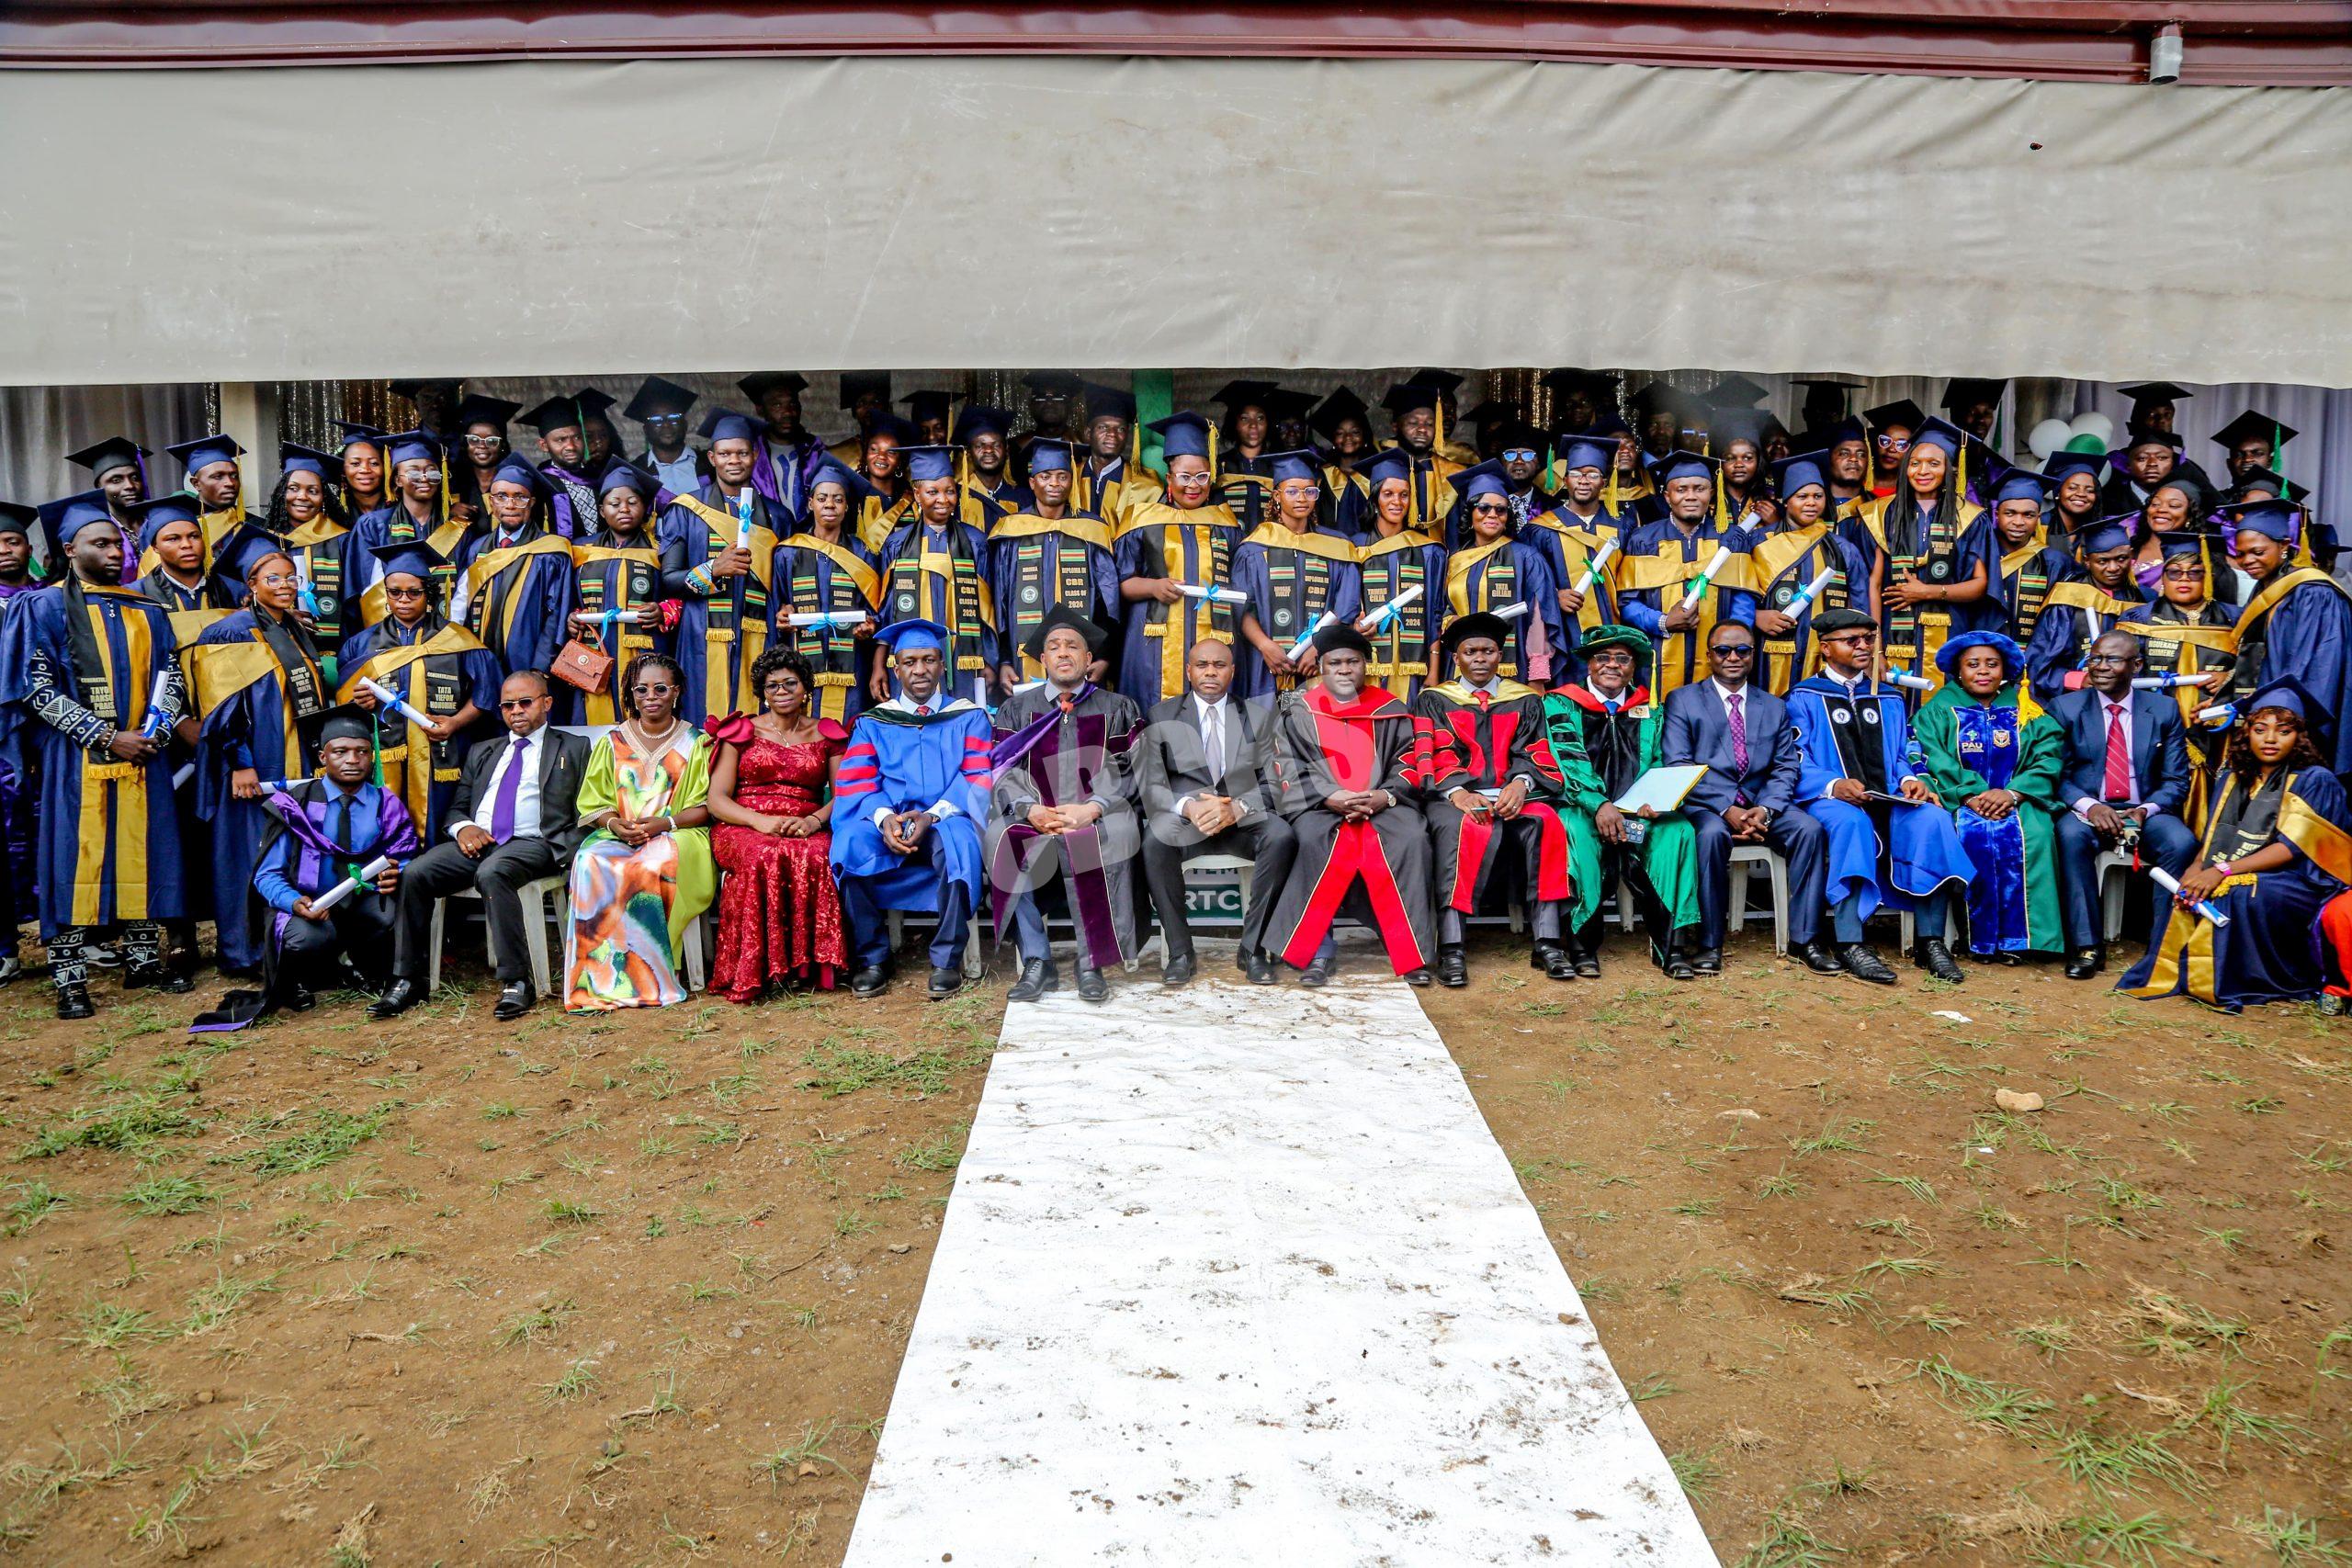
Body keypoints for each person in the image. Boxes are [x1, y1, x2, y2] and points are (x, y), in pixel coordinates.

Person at [0, 498, 191, 1015]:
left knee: (143, 851)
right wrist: (106, 736)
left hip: (142, 754)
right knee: (72, 858)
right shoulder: (41, 606)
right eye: (98, 543)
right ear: (69, 549)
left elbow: (170, 676)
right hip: (75, 759)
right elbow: (35, 689)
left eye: (116, 543)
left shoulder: (146, 607)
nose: (112, 551)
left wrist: (156, 728)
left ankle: (143, 962)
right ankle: (69, 978)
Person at [372, 671, 593, 1021]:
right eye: (508, 705)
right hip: (478, 842)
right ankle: (406, 979)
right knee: (415, 872)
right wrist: (464, 828)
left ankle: (516, 981)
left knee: (495, 872)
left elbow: (590, 806)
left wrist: (570, 846)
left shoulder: (574, 747)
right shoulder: (484, 750)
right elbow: (457, 808)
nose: (516, 711)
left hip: (534, 842)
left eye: (525, 702)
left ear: (547, 703)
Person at [2121, 681, 2352, 1010]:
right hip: (2232, 868)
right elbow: (2214, 835)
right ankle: (2187, 974)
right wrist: (2195, 870)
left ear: (2299, 736)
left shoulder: (2315, 780)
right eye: (2260, 729)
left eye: (2283, 731)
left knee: (2238, 891)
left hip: (2300, 879)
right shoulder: (2233, 775)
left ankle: (2239, 980)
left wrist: (2221, 871)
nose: (2270, 739)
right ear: (2247, 731)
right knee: (2189, 892)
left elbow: (2293, 848)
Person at [1786, 609, 1976, 984]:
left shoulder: (1888, 697)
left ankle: (1930, 941)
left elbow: (1907, 751)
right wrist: (1833, 785)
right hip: (1829, 800)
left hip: (1887, 796)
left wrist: (1911, 779)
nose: (1863, 646)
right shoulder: (1803, 697)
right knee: (1851, 821)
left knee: (1932, 819)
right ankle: (1850, 940)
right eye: (1851, 640)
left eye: (1868, 639)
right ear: (1825, 648)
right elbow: (1794, 757)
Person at [1259, 623, 1436, 987]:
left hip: (1385, 806)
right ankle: (1318, 952)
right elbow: (1284, 766)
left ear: (1365, 665)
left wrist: (1383, 796)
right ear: (1321, 667)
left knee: (1412, 838)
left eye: (1352, 661)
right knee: (1309, 841)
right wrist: (1328, 796)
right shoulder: (1300, 711)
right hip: (1322, 808)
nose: (1343, 669)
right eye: (1334, 662)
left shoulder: (1392, 709)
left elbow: (1410, 761)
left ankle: (1410, 951)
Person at [1658, 622, 1836, 977]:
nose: (1733, 657)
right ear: (1709, 656)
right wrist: (1728, 809)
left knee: (1809, 830)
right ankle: (1709, 943)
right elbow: (1678, 764)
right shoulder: (1683, 699)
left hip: (1761, 806)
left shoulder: (1772, 705)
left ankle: (1805, 940)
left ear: (1754, 654)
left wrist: (1766, 810)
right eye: (1723, 650)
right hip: (1708, 806)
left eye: (1743, 650)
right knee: (1708, 836)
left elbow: (1787, 766)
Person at [984, 608, 1144, 1003]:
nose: (1064, 652)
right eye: (1054, 647)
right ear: (1044, 660)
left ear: (1089, 659)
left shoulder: (1118, 707)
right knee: (1001, 838)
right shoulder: (1017, 710)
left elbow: (1135, 768)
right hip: (1036, 814)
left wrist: (1094, 807)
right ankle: (1038, 961)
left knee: (1113, 833)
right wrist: (1030, 809)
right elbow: (1002, 771)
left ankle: (1091, 961)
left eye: (1074, 646)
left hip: (1094, 814)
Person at [193, 545, 335, 976]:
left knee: (285, 854)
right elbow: (222, 705)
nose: (286, 586)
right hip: (257, 761)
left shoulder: (294, 628)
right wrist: (240, 761)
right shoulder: (231, 631)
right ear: (251, 586)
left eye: (292, 578)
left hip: (294, 757)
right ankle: (243, 953)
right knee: (247, 853)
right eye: (273, 579)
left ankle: (285, 947)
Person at [831, 619, 993, 999]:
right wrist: (886, 818)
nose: (920, 670)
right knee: (849, 844)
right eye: (910, 662)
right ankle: (872, 958)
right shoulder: (873, 722)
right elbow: (858, 782)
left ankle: (946, 959)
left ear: (942, 665)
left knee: (958, 845)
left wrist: (931, 815)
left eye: (929, 660)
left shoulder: (969, 716)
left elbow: (977, 775)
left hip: (946, 816)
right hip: (889, 818)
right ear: (896, 667)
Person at [1418, 613, 1576, 985]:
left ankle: (1548, 942)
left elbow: (1535, 749)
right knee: (1461, 829)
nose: (1479, 658)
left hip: (1517, 794)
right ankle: (1453, 948)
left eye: (1488, 650)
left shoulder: (1524, 699)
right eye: (1470, 651)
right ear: (1456, 657)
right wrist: (1458, 792)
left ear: (1499, 655)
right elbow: (1434, 751)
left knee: (1547, 823)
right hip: (1457, 798)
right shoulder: (1436, 700)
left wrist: (1521, 783)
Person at [235, 710, 420, 1015]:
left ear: (372, 757)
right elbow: (267, 875)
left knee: (392, 914)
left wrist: (396, 873)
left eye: (362, 751)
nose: (352, 759)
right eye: (341, 752)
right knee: (304, 937)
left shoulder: (386, 804)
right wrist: (295, 902)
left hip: (362, 901)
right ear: (323, 757)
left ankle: (365, 968)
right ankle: (298, 980)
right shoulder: (296, 806)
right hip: (310, 906)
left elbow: (404, 854)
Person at [1135, 637, 1295, 987]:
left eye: (1219, 665)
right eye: (1202, 665)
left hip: (1241, 820)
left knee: (1281, 836)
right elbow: (1150, 782)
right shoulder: (1161, 715)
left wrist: (1238, 807)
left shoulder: (1258, 717)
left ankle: (1252, 950)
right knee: (1154, 841)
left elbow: (1279, 784)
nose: (1211, 672)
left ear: (1233, 671)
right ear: (1189, 671)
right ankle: (1180, 952)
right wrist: (1189, 807)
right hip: (1187, 822)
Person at [1544, 625, 1701, 977]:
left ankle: (1672, 946)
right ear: (1589, 664)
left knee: (1678, 832)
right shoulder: (1561, 702)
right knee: (1574, 832)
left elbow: (1661, 760)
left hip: (1638, 812)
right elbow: (1567, 760)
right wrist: (1599, 804)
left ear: (1633, 666)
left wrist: (1654, 802)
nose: (1611, 665)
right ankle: (1582, 946)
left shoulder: (1650, 708)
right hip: (1583, 806)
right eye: (1603, 657)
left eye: (1622, 659)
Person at [563, 653, 717, 1011]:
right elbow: (595, 803)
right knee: (589, 860)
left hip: (678, 834)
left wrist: (663, 825)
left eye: (660, 688)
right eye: (641, 689)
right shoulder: (612, 740)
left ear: (676, 691)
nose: (651, 696)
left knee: (651, 863)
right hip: (620, 833)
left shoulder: (696, 742)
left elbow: (706, 806)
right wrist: (615, 824)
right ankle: (598, 978)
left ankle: (649, 974)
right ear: (631, 694)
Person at [2044, 629, 2198, 980]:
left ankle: (2162, 948)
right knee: (2070, 837)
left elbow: (2176, 780)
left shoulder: (2163, 710)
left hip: (2144, 810)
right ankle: (2087, 946)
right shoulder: (2066, 708)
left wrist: (2146, 810)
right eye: (2095, 658)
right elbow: (2056, 774)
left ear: (2136, 664)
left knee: (2181, 843)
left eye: (2112, 659)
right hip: (2087, 810)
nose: (2099, 667)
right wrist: (2090, 806)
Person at [1912, 631, 2066, 962]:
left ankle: (2025, 941)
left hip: (2019, 800)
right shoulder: (1938, 710)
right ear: (1958, 670)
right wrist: (1971, 795)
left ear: (2005, 669)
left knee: (2037, 833)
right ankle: (1979, 940)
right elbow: (1932, 757)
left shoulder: (2028, 711)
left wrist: (2012, 793)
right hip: (1963, 802)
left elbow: (2049, 757)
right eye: (1973, 664)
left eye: (1991, 664)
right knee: (1973, 834)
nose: (1983, 671)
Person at [706, 648, 851, 1000]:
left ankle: (808, 967)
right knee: (763, 855)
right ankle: (762, 969)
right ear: (762, 691)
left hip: (807, 822)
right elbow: (717, 800)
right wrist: (760, 822)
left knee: (819, 855)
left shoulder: (827, 734)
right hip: (744, 824)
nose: (781, 691)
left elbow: (845, 793)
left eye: (790, 683)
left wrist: (815, 821)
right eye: (772, 686)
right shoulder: (741, 732)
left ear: (806, 689)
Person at [337, 540, 500, 844]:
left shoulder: (459, 640)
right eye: (394, 592)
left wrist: (455, 723)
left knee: (440, 824)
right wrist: (360, 703)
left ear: (429, 594)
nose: (403, 600)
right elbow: (344, 702)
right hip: (384, 757)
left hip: (443, 756)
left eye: (414, 592)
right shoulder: (361, 644)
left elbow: (486, 695)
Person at [1840, 417, 1996, 690]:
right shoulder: (1878, 514)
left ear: (1949, 469)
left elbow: (1981, 585)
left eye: (1934, 464)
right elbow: (1872, 586)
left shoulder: (1970, 518)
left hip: (1951, 632)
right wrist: (1875, 648)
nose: (1923, 471)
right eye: (1915, 463)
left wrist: (1927, 592)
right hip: (1890, 630)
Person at [658, 410, 783, 724]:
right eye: (725, 453)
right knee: (703, 724)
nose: (734, 460)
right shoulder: (686, 511)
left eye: (742, 453)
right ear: (712, 457)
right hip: (702, 635)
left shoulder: (777, 516)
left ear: (755, 455)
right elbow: (668, 581)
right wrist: (712, 568)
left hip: (760, 634)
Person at [1115, 412, 1245, 708]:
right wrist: (1153, 587)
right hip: (1154, 641)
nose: (1193, 486)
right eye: (1185, 477)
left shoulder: (1225, 523)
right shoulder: (1142, 520)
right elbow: (1120, 584)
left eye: (1201, 477)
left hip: (1215, 630)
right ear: (1169, 478)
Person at [2116, 536, 2245, 805]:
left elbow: (2257, 665)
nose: (2184, 579)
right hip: (2158, 723)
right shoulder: (2138, 619)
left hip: (2217, 725)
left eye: (2194, 573)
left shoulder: (2235, 618)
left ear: (2207, 577)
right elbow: (2123, 676)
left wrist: (2229, 678)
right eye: (2174, 573)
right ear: (2162, 578)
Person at [2228, 499, 2352, 773]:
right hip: (2271, 715)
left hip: (2297, 718)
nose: (2248, 561)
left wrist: (2289, 720)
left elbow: (2319, 667)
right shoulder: (2265, 586)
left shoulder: (2313, 592)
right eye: (2241, 554)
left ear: (2284, 546)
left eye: (2257, 551)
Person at [1619, 451, 1756, 698]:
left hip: (1720, 658)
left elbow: (1743, 601)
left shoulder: (1731, 538)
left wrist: (1729, 642)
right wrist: (1663, 622)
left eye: (1699, 488)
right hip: (1657, 656)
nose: (1691, 496)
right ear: (1667, 496)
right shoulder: (1643, 539)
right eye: (1681, 489)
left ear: (1712, 493)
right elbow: (1628, 604)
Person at [985, 437, 1121, 686]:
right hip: (1022, 662)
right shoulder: (1012, 531)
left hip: (1084, 663)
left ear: (1072, 481)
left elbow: (1108, 602)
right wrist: (1003, 661)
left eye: (1062, 476)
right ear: (1032, 482)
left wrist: (1103, 656)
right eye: (1045, 476)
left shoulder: (1091, 530)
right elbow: (1000, 603)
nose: (1054, 484)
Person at [874, 445, 999, 709]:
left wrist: (990, 661)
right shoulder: (897, 544)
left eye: (950, 491)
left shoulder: (975, 542)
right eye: (932, 492)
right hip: (911, 658)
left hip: (964, 653)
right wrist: (878, 664)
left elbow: (987, 611)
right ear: (917, 494)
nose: (943, 499)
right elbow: (887, 611)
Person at [1232, 450, 1362, 697]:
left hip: (1320, 663)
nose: (1302, 498)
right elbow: (1241, 608)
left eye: (1310, 491)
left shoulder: (1337, 547)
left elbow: (1345, 608)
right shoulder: (1254, 548)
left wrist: (1318, 647)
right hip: (1264, 663)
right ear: (1277, 496)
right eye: (1292, 491)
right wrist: (1265, 646)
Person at [561, 461, 674, 727]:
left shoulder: (659, 550)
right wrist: (572, 618)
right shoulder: (580, 550)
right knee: (593, 717)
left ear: (645, 507)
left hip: (644, 647)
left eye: (632, 502)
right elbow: (570, 599)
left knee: (644, 711)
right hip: (593, 651)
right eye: (614, 503)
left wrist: (664, 610)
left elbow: (679, 595)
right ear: (601, 510)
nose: (624, 508)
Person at [770, 455, 881, 726]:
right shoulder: (787, 552)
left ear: (846, 507)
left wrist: (869, 626)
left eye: (838, 499)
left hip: (851, 664)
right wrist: (783, 615)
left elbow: (875, 609)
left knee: (846, 733)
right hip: (800, 661)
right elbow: (778, 603)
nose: (829, 504)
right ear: (810, 504)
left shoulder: (863, 553)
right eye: (822, 498)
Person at [1748, 453, 1868, 697]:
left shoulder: (1842, 549)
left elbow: (1860, 604)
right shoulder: (1759, 542)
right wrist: (1755, 616)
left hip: (1824, 655)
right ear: (1784, 500)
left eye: (1818, 496)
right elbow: (1734, 597)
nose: (1811, 503)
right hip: (1768, 654)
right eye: (1802, 496)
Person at [453, 456, 578, 679]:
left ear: (531, 502)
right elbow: (465, 608)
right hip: (482, 665)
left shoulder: (551, 552)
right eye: (501, 497)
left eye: (520, 497)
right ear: (491, 503)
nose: (510, 505)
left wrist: (540, 668)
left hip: (530, 665)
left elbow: (557, 615)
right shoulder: (477, 549)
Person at [1442, 461, 1564, 685]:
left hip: (1512, 669)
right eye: (1484, 508)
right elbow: (1443, 607)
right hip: (1460, 669)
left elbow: (1540, 618)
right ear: (1470, 513)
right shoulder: (1453, 561)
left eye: (1501, 509)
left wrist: (1537, 678)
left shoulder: (1526, 557)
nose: (1493, 514)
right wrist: (1450, 621)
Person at [1347, 448, 1447, 704]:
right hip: (1365, 664)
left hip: (1413, 668)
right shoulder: (1354, 548)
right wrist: (1353, 627)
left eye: (1404, 495)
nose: (1397, 502)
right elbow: (1345, 604)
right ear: (1375, 498)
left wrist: (1433, 669)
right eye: (1388, 494)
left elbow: (1435, 611)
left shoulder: (1428, 551)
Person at [1522, 434, 1630, 657]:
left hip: (1614, 635)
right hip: (1564, 634)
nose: (1583, 481)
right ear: (1566, 480)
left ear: (1604, 481)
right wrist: (1554, 596)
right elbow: (1525, 580)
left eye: (1592, 474)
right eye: (1575, 474)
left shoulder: (1624, 527)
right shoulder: (1541, 529)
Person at [348, 430, 467, 614]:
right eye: (413, 473)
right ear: (397, 480)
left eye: (432, 472)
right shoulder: (372, 526)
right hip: (387, 635)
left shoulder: (459, 529)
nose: (425, 478)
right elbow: (364, 591)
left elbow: (465, 592)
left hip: (446, 634)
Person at [2025, 519, 2143, 701]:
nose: (2113, 568)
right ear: (2087, 561)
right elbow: (2040, 664)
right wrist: (2078, 679)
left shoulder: (2138, 599)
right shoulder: (2067, 598)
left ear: (2131, 556)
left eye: (2121, 559)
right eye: (2102, 561)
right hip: (2077, 700)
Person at [256, 443, 359, 652]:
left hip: (334, 652)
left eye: (313, 491)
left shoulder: (342, 540)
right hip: (276, 649)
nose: (302, 497)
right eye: (293, 489)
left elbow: (352, 604)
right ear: (281, 493)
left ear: (323, 498)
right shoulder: (264, 540)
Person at [1985, 467, 2074, 649]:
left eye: (2028, 515)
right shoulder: (1979, 552)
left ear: (2038, 518)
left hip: (2031, 659)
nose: (2018, 522)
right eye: (2010, 513)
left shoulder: (2054, 563)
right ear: (1997, 515)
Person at [129, 495, 239, 625]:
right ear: (155, 547)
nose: (186, 544)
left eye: (194, 536)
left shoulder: (236, 590)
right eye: (173, 539)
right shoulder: (136, 596)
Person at [1377, 381, 1462, 533]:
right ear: (1395, 426)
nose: (1422, 429)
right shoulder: (1379, 470)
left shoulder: (1453, 474)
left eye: (1429, 424)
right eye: (1413, 422)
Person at [517, 393, 602, 537]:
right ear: (544, 445)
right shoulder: (538, 485)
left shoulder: (600, 477)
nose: (571, 446)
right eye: (561, 440)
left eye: (577, 437)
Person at [164, 432, 251, 552]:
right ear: (196, 484)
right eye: (218, 477)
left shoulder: (253, 524)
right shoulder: (176, 524)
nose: (230, 483)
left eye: (234, 476)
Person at [626, 376, 709, 496]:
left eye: (674, 418)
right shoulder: (636, 470)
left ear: (685, 425)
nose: (666, 425)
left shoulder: (709, 464)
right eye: (656, 420)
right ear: (646, 429)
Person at [1071, 383, 1144, 521]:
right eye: (1103, 427)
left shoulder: (1146, 486)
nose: (1112, 434)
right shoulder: (1070, 477)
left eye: (1121, 429)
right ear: (1088, 433)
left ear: (1128, 436)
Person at [950, 405, 1032, 522]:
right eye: (979, 445)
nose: (988, 450)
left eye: (996, 445)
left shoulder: (1025, 498)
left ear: (1007, 450)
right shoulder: (955, 497)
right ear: (968, 453)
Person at [447, 392, 521, 519]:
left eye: (492, 441)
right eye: (474, 439)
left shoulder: (518, 481)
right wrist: (450, 512)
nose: (482, 445)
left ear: (502, 445)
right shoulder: (451, 481)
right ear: (465, 445)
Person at [830, 371, 893, 468]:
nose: (870, 408)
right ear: (854, 411)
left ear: (888, 408)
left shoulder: (901, 452)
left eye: (876, 401)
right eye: (862, 403)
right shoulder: (836, 456)